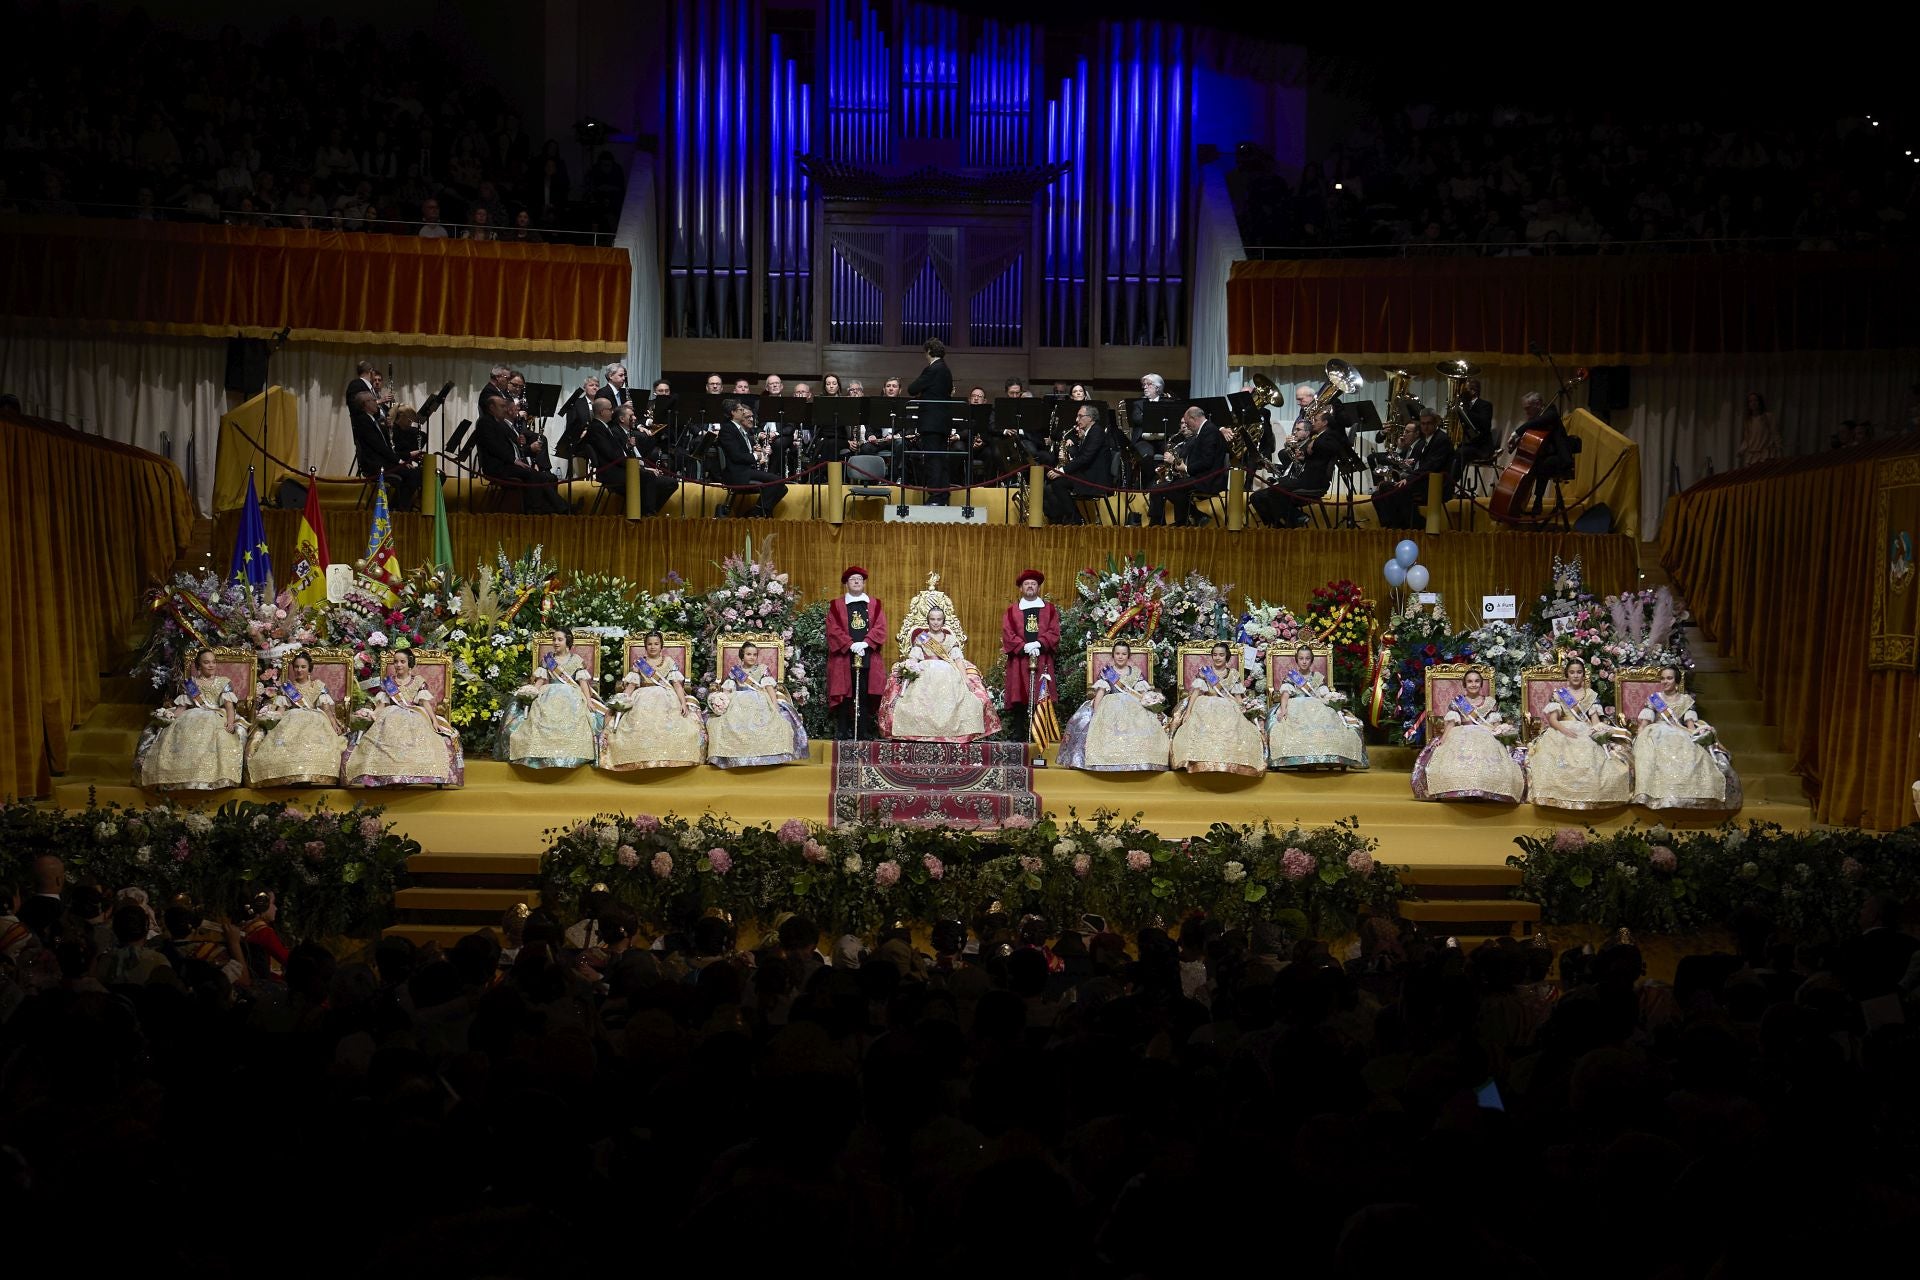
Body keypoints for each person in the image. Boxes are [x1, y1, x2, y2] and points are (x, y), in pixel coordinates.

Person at [878, 594, 1001, 743]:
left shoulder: (950, 639)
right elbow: (914, 658)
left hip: (949, 673)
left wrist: (965, 678)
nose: (935, 622)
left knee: (970, 700)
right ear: (928, 620)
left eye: (939, 619)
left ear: (943, 621)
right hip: (924, 673)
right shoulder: (922, 638)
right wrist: (909, 669)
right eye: (932, 619)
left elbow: (957, 660)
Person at [1524, 657, 1633, 809]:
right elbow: (1553, 720)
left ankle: (1592, 794)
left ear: (1583, 675)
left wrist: (1598, 733)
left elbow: (1594, 722)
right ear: (1567, 675)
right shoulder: (1559, 694)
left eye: (1579, 672)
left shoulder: (1591, 695)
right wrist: (1565, 731)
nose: (1575, 675)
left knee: (1594, 755)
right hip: (1561, 730)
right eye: (1572, 672)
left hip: (1585, 729)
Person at [343, 649, 463, 786]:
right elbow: (381, 705)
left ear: (409, 663)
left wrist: (434, 721)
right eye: (395, 662)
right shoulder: (388, 682)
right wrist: (371, 715)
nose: (398, 665)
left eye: (402, 662)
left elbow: (425, 703)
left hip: (414, 715)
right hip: (390, 715)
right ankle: (386, 775)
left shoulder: (418, 682)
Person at [1630, 665, 1741, 810]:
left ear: (1676, 681)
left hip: (1679, 731)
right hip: (1656, 731)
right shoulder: (1655, 699)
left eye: (1669, 678)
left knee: (1690, 751)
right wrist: (1640, 734)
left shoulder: (1685, 700)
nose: (1665, 681)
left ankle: (1686, 793)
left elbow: (1690, 726)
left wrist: (1695, 735)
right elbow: (1645, 723)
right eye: (1662, 678)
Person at [136, 649, 247, 790]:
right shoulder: (190, 683)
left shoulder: (223, 682)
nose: (211, 665)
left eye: (213, 662)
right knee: (181, 732)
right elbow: (182, 707)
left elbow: (230, 707)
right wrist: (172, 716)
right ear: (198, 665)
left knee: (215, 735)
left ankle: (211, 777)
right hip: (192, 714)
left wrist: (230, 722)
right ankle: (181, 776)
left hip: (215, 715)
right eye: (206, 662)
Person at [1411, 666, 1525, 802]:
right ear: (1465, 684)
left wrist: (1500, 731)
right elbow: (1451, 723)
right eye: (1470, 681)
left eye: (1477, 681)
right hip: (1461, 733)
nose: (1473, 684)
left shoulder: (1489, 702)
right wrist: (1444, 738)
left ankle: (1484, 789)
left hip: (1485, 733)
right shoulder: (1458, 702)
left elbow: (1493, 723)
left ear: (1481, 684)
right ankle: (1462, 789)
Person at [498, 629, 605, 769]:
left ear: (568, 642)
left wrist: (589, 700)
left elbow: (583, 683)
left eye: (559, 639)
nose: (555, 642)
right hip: (548, 693)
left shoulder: (577, 660)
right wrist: (531, 693)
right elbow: (541, 680)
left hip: (571, 696)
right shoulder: (547, 660)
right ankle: (539, 755)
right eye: (554, 639)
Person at [599, 631, 705, 770]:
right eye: (649, 644)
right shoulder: (639, 664)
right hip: (642, 697)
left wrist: (683, 702)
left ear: (661, 646)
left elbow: (677, 685)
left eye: (656, 644)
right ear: (645, 646)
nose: (653, 647)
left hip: (666, 697)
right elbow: (631, 686)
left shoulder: (669, 662)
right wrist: (621, 701)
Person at [1057, 641, 1170, 771]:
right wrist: (1096, 713)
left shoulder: (1136, 672)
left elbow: (1142, 694)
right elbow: (1101, 692)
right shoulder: (1107, 672)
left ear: (1128, 656)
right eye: (1117, 653)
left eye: (1124, 654)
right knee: (1083, 722)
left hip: (1133, 706)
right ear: (1113, 655)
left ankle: (1138, 760)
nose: (1120, 656)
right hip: (1110, 705)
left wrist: (1152, 705)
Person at [246, 651, 346, 786]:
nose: (299, 670)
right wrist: (271, 718)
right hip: (292, 718)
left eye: (303, 667)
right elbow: (281, 711)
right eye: (297, 667)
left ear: (309, 668)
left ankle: (312, 772)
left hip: (315, 720)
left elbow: (326, 709)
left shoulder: (318, 686)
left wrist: (334, 723)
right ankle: (290, 772)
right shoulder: (288, 688)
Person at [1168, 642, 1266, 776]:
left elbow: (1237, 697)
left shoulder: (1233, 674)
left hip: (1228, 704)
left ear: (1227, 657)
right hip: (1205, 703)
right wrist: (1189, 711)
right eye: (1215, 655)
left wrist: (1245, 709)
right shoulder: (1205, 672)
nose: (1218, 658)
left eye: (1221, 655)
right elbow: (1196, 693)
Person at [706, 641, 809, 767]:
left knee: (771, 722)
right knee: (726, 722)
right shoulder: (736, 671)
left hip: (760, 699)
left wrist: (774, 704)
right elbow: (728, 689)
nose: (752, 657)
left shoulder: (762, 669)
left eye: (754, 654)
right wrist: (722, 700)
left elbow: (769, 688)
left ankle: (769, 757)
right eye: (749, 654)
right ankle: (733, 757)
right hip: (738, 700)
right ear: (742, 655)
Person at [1268, 645, 1369, 771]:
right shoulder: (1291, 676)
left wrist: (1335, 701)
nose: (1304, 661)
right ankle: (1300, 760)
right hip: (1296, 706)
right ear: (1297, 660)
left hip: (1316, 706)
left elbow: (1324, 694)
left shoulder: (1317, 677)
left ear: (1311, 660)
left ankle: (1328, 756)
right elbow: (1285, 694)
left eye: (1307, 658)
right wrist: (1283, 709)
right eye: (1301, 658)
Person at [474, 389, 569, 513]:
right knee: (533, 474)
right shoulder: (485, 422)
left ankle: (554, 508)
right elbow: (494, 447)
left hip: (507, 464)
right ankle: (535, 510)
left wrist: (521, 446)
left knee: (547, 477)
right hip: (497, 467)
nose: (505, 409)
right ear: (491, 407)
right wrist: (514, 460)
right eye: (502, 406)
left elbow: (512, 446)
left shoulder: (498, 423)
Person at [1251, 405, 1342, 527]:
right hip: (1305, 478)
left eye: (1316, 421)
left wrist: (1314, 443)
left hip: (1314, 481)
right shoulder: (1319, 437)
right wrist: (1303, 456)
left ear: (1325, 422)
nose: (1313, 423)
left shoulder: (1329, 435)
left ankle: (1296, 517)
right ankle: (1278, 524)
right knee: (1256, 497)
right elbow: (1317, 457)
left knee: (1275, 490)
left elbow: (1335, 448)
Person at [1000, 570, 1060, 743]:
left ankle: (1040, 733)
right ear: (1021, 588)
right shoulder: (1012, 611)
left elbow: (1054, 631)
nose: (1030, 586)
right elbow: (1007, 633)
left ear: (1039, 587)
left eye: (1033, 584)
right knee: (1019, 696)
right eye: (1027, 584)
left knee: (1041, 694)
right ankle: (1018, 732)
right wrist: (1023, 646)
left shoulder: (1049, 609)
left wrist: (1040, 643)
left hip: (1042, 658)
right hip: (1020, 659)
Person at [827, 567, 887, 738]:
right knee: (845, 693)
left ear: (863, 582)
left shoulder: (875, 604)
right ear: (846, 583)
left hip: (868, 655)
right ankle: (842, 729)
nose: (856, 581)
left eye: (859, 579)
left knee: (865, 693)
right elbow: (833, 628)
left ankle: (863, 730)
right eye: (852, 579)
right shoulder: (836, 605)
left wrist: (866, 643)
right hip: (844, 656)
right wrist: (850, 644)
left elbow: (881, 627)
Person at [1148, 405, 1231, 527]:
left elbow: (1207, 462)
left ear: (1193, 419)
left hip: (1209, 480)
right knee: (1162, 487)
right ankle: (1184, 520)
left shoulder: (1209, 431)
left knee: (1172, 488)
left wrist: (1186, 468)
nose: (1187, 426)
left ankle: (1182, 521)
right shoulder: (1205, 430)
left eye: (1187, 423)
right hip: (1201, 476)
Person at [1372, 411, 1454, 529]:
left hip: (1433, 484)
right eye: (1423, 423)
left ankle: (1414, 524)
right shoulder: (1427, 439)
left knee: (1386, 487)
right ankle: (1392, 525)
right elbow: (1420, 464)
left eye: (1428, 423)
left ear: (1436, 423)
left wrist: (1409, 478)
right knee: (1376, 495)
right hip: (1422, 479)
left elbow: (1432, 466)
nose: (1425, 427)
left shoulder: (1441, 439)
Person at [1504, 391, 1574, 517]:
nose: (1526, 412)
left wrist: (1516, 433)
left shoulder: (1551, 413)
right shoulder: (1537, 418)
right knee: (1537, 464)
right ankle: (1518, 503)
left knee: (1542, 464)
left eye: (1528, 409)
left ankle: (1538, 501)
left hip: (1560, 457)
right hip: (1546, 456)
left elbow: (1536, 423)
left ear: (1537, 404)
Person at [351, 388, 422, 509]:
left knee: (416, 473)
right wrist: (399, 462)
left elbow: (386, 446)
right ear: (365, 404)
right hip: (375, 465)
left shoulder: (372, 420)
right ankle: (398, 510)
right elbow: (379, 447)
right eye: (373, 400)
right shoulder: (363, 421)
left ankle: (398, 507)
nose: (376, 403)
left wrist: (389, 429)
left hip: (384, 462)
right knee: (414, 475)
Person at [1045, 402, 1114, 524]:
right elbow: (1082, 457)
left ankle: (1075, 520)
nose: (1077, 420)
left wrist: (1062, 471)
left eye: (1080, 416)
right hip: (1087, 474)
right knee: (1049, 487)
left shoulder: (1096, 431)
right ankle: (1061, 519)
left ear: (1090, 418)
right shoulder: (1090, 432)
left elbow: (1085, 458)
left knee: (1058, 483)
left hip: (1095, 479)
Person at [716, 398, 787, 517]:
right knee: (777, 482)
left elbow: (741, 451)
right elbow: (736, 456)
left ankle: (758, 512)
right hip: (737, 473)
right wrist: (756, 456)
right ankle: (759, 513)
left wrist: (755, 452)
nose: (743, 412)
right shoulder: (728, 429)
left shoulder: (738, 429)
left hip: (746, 470)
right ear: (733, 413)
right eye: (740, 410)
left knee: (782, 487)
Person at [1738, 391, 1783, 468]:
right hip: (1752, 457)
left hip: (1766, 456)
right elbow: (1747, 439)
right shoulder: (1748, 421)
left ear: (1760, 402)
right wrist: (1741, 450)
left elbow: (1775, 434)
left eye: (1755, 400)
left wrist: (1779, 451)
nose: (1753, 403)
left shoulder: (1768, 417)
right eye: (1750, 401)